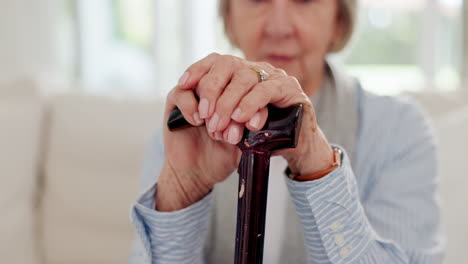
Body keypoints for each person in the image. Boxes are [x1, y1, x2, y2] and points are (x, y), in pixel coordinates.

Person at [129, 0, 445, 263]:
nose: (279, 28)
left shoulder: (400, 131)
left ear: (338, 19)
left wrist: (315, 163)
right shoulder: (184, 126)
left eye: (305, 0)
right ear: (230, 16)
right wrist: (184, 192)